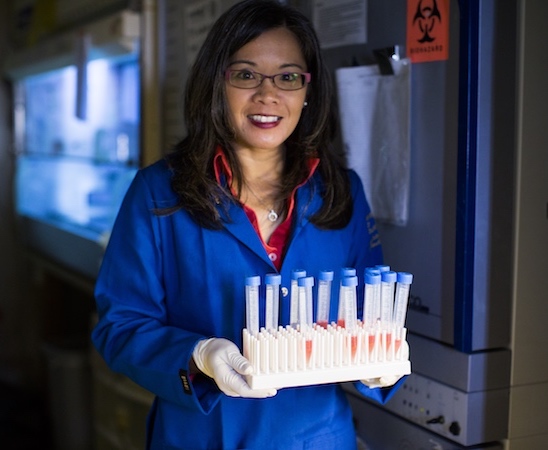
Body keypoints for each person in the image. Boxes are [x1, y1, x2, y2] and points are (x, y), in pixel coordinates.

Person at [92, 0, 407, 448]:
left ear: (308, 91)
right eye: (245, 75)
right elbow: (120, 325)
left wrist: (384, 360)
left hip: (313, 436)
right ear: (217, 84)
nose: (268, 95)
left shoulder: (342, 191)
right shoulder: (159, 192)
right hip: (202, 435)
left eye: (288, 77)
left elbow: (369, 314)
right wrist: (197, 355)